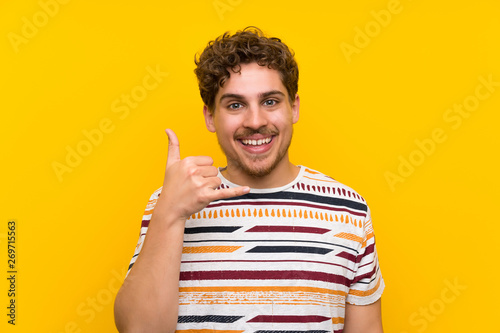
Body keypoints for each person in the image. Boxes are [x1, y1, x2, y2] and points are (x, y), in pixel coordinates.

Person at [114, 26, 384, 333]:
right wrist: (170, 214)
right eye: (235, 105)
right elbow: (138, 329)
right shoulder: (172, 202)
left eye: (270, 101)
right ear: (210, 116)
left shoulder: (350, 211)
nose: (255, 121)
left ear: (293, 107)